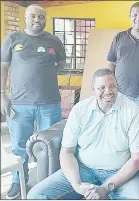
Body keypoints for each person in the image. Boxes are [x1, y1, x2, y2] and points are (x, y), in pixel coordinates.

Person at [27, 68, 139, 199]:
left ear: (117, 86)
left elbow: (137, 159)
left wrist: (106, 188)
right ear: (93, 89)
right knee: (36, 195)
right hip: (83, 169)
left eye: (112, 86)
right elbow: (66, 152)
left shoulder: (132, 111)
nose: (108, 91)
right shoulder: (80, 110)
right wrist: (77, 184)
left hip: (120, 172)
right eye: (101, 87)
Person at [0, 4, 66, 199]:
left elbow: (61, 63)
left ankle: (51, 182)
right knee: (19, 145)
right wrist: (2, 94)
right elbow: (3, 67)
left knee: (52, 145)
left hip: (49, 103)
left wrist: (45, 73)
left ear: (46, 18)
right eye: (33, 17)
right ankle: (17, 181)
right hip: (19, 104)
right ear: (26, 18)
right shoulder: (13, 39)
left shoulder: (54, 40)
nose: (37, 20)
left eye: (41, 17)